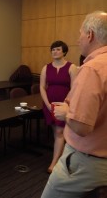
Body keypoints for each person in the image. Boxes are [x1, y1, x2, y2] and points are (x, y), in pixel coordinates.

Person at [41, 11, 107, 197]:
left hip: (86, 162)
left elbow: (81, 126)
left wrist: (66, 113)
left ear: (90, 34)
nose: (78, 39)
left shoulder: (92, 69)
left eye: (80, 33)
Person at [40, 40, 77, 174]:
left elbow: (74, 88)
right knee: (56, 131)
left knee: (59, 132)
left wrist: (66, 104)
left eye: (58, 49)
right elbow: (42, 87)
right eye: (53, 50)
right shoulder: (46, 68)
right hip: (49, 105)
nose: (54, 52)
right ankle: (62, 156)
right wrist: (48, 104)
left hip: (64, 105)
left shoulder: (71, 67)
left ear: (64, 51)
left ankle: (54, 162)